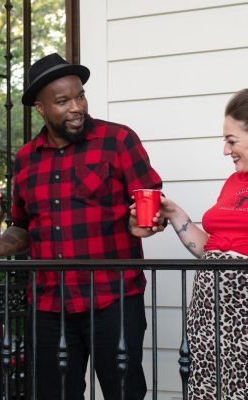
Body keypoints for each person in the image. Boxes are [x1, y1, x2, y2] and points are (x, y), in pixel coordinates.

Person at [0, 53, 166, 400]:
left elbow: (152, 203)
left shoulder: (119, 141)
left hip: (113, 301)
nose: (76, 106)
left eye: (80, 95)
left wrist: (146, 222)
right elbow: (23, 229)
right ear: (40, 108)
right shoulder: (26, 159)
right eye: (63, 101)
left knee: (124, 394)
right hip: (49, 307)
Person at [139, 88, 248, 399]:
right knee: (208, 389)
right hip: (209, 311)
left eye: (231, 140)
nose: (226, 151)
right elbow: (210, 248)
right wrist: (173, 212)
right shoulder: (233, 182)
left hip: (243, 312)